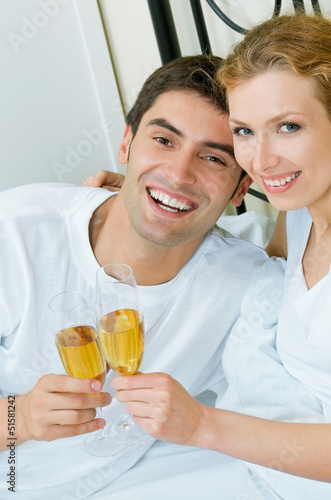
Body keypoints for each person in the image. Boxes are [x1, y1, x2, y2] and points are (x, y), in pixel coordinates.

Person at [0, 55, 269, 499]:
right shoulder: (18, 232)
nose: (179, 174)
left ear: (242, 188)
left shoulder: (245, 287)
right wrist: (21, 417)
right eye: (163, 140)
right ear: (126, 144)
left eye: (213, 158)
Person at [101, 13, 331, 500]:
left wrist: (203, 426)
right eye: (245, 132)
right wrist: (142, 200)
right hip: (260, 460)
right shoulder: (302, 212)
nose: (262, 160)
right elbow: (263, 275)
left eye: (288, 126)